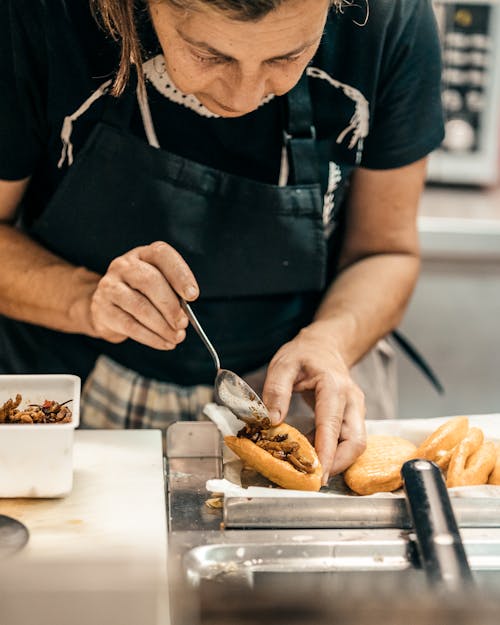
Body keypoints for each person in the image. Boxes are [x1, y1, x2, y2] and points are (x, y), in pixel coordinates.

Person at [0, 0, 444, 484]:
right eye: (208, 56)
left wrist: (332, 341)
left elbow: (386, 252)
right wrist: (85, 298)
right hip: (76, 384)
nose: (243, 97)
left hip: (302, 392)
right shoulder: (39, 17)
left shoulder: (385, 18)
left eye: (287, 58)